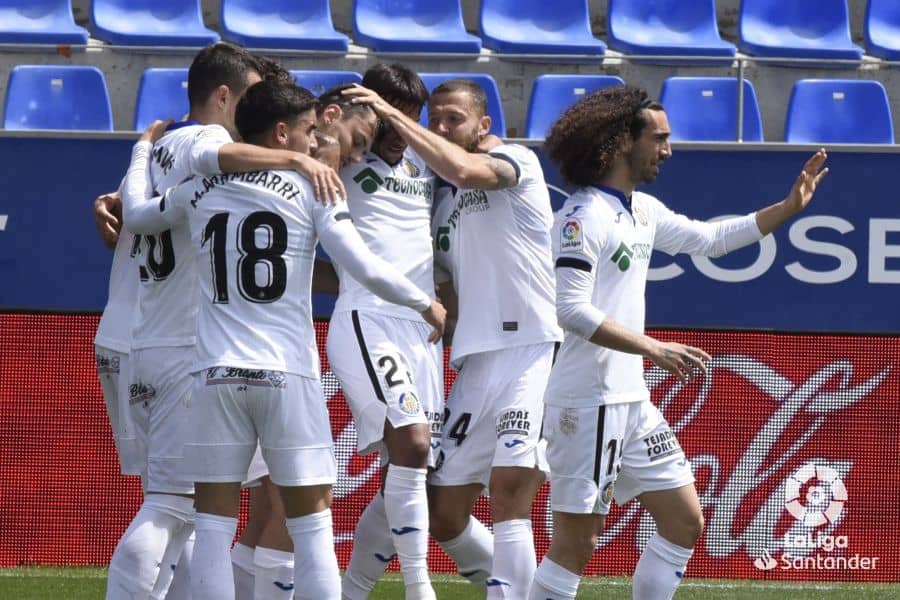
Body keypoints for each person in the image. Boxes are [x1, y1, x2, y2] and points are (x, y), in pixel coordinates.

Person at [120, 79, 446, 600]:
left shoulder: (201, 189)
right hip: (286, 375)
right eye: (308, 131)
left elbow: (136, 215)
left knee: (212, 527)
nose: (316, 142)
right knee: (312, 524)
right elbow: (361, 264)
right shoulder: (312, 187)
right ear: (281, 132)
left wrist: (140, 153)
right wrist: (423, 302)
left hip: (214, 375)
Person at [528, 86, 828, 600]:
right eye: (659, 138)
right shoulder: (582, 217)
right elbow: (569, 309)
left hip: (631, 402)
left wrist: (786, 208)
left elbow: (708, 240)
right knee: (576, 544)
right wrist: (652, 348)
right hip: (588, 401)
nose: (668, 150)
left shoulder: (640, 210)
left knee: (684, 521)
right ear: (623, 141)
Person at [101, 43, 344, 600]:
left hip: (134, 332)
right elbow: (222, 160)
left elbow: (135, 212)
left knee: (188, 509)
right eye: (249, 95)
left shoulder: (164, 149)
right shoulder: (210, 142)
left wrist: (139, 153)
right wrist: (299, 159)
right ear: (225, 94)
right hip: (182, 341)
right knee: (172, 505)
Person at [347, 78, 563, 598]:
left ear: (484, 125)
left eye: (452, 120)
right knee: (440, 510)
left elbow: (463, 167)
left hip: (530, 350)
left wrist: (388, 113)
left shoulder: (515, 163)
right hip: (472, 363)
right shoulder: (442, 206)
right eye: (435, 120)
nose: (441, 129)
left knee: (511, 491)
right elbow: (439, 286)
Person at [326, 63, 439, 600]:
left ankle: (353, 592)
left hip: (421, 330)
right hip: (367, 314)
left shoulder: (426, 162)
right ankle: (420, 587)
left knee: (409, 465)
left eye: (410, 121)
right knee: (413, 446)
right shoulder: (338, 155)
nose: (400, 134)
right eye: (391, 119)